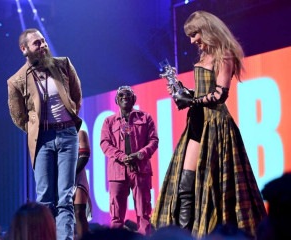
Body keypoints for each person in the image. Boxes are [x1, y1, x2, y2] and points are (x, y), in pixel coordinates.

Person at [151, 11, 266, 238]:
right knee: (186, 182)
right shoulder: (204, 57)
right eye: (191, 36)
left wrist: (191, 100)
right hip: (197, 121)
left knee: (216, 184)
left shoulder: (225, 55)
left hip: (216, 125)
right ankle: (185, 233)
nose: (193, 41)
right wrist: (184, 92)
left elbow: (220, 95)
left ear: (207, 29)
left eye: (195, 34)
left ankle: (217, 232)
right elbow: (205, 92)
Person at [7, 28, 82, 240]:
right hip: (42, 140)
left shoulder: (63, 64)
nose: (43, 46)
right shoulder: (16, 81)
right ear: (24, 49)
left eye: (43, 41)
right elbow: (18, 116)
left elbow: (76, 95)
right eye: (37, 43)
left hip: (68, 135)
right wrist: (36, 131)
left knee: (66, 197)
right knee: (45, 198)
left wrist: (69, 118)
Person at [100, 85, 159, 235]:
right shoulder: (109, 121)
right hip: (117, 171)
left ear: (133, 99)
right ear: (117, 101)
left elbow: (153, 140)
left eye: (128, 96)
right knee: (116, 216)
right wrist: (122, 157)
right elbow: (105, 143)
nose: (125, 98)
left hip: (140, 169)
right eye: (121, 96)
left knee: (143, 213)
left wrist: (139, 154)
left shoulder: (145, 118)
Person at [74, 129, 92, 239]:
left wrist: (69, 176)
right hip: (59, 179)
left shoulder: (80, 133)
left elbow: (84, 156)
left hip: (78, 177)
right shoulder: (54, 134)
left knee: (79, 213)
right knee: (61, 214)